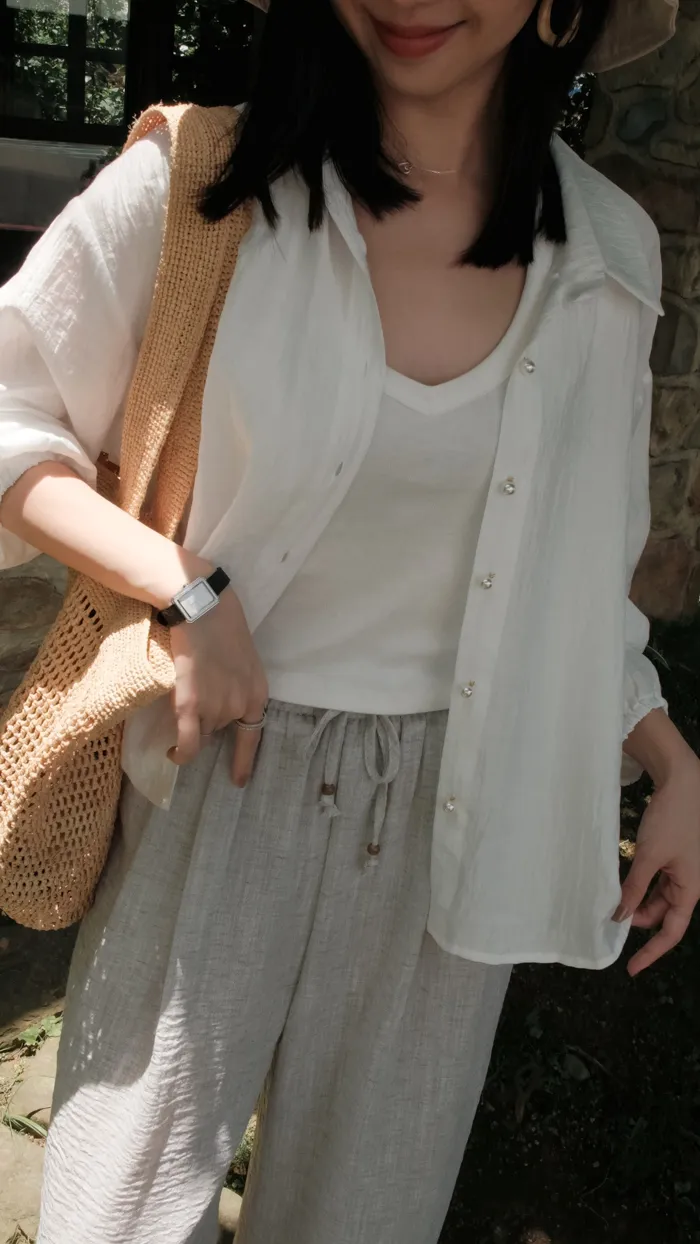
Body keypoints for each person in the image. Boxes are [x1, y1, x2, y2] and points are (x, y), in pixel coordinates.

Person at [0, 0, 696, 1241]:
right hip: (219, 779)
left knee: (366, 1215)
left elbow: (575, 567)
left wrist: (665, 753)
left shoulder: (606, 251)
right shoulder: (202, 183)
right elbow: (11, 413)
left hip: (450, 815)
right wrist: (188, 588)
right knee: (118, 1215)